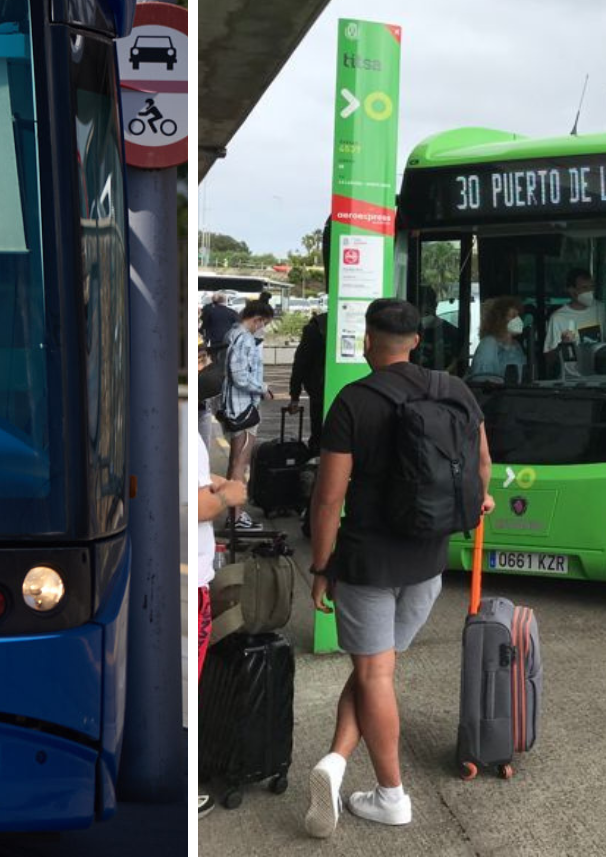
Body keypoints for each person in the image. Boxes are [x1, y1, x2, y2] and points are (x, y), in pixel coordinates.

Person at [304, 298, 493, 835]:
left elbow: (327, 498)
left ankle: (392, 796)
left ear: (367, 340)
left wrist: (321, 566)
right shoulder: (453, 389)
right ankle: (336, 762)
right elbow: (480, 464)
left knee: (373, 672)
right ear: (416, 340)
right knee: (373, 672)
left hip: (368, 562)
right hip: (429, 562)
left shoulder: (353, 402)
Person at [192, 408, 248, 819]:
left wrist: (216, 483)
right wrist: (226, 496)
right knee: (192, 676)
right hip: (191, 579)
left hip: (190, 574)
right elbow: (194, 506)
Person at [218, 298, 275, 531]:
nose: (263, 328)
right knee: (240, 463)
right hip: (242, 408)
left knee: (235, 461)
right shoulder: (245, 339)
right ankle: (236, 516)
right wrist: (262, 388)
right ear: (258, 319)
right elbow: (240, 376)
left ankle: (234, 513)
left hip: (231, 405)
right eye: (264, 323)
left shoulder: (231, 334)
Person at [543, 269, 605, 378]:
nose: (590, 292)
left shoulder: (599, 308)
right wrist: (563, 345)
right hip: (571, 381)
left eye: (592, 287)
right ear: (572, 291)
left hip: (599, 378)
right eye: (585, 288)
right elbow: (549, 359)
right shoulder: (558, 317)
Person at [289, 306, 327, 450]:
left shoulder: (315, 328)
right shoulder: (359, 324)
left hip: (319, 389)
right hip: (349, 389)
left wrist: (294, 396)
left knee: (318, 432)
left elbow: (300, 363)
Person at [467, 295, 529, 384]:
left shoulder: (516, 345)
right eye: (513, 316)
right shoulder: (488, 344)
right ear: (500, 319)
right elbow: (482, 381)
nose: (518, 320)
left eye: (518, 315)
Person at [199, 290, 239, 354]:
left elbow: (202, 325)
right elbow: (238, 327)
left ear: (214, 300)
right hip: (229, 342)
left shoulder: (209, 311)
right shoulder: (233, 312)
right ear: (225, 301)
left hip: (214, 343)